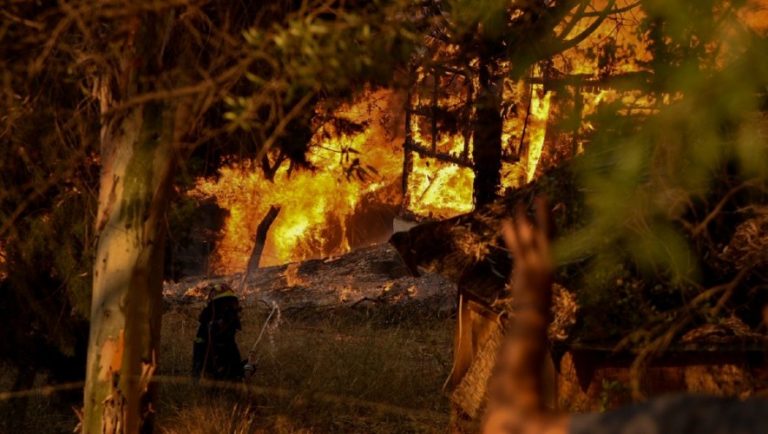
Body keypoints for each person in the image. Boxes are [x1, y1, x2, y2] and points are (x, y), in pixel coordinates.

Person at [192, 283, 245, 381]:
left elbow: (232, 351)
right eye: (223, 302)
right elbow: (201, 356)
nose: (227, 306)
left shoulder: (230, 317)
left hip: (225, 353)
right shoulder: (208, 320)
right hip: (209, 358)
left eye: (229, 302)